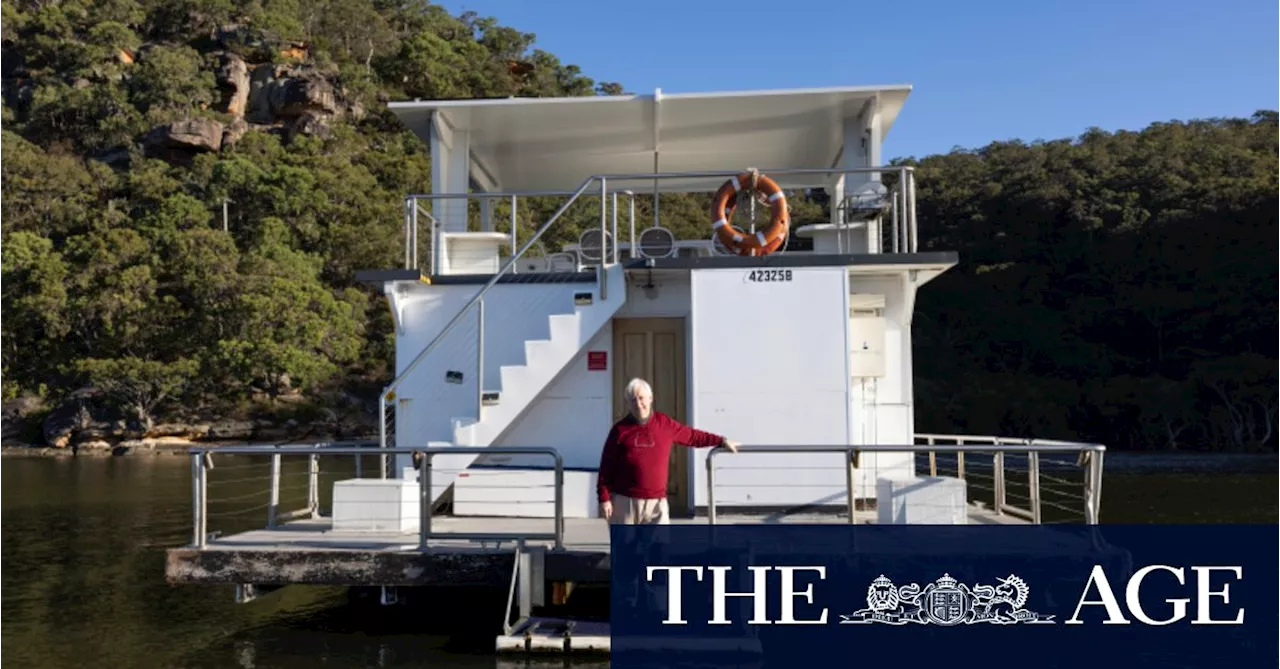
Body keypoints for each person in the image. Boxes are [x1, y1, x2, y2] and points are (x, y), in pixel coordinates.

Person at [597, 377, 740, 524]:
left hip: (657, 504)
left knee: (660, 547)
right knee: (625, 547)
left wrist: (721, 441)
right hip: (624, 501)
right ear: (627, 404)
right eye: (633, 400)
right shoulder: (619, 430)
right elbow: (606, 467)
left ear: (651, 398)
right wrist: (604, 498)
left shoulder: (665, 424)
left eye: (641, 398)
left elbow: (692, 436)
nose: (638, 404)